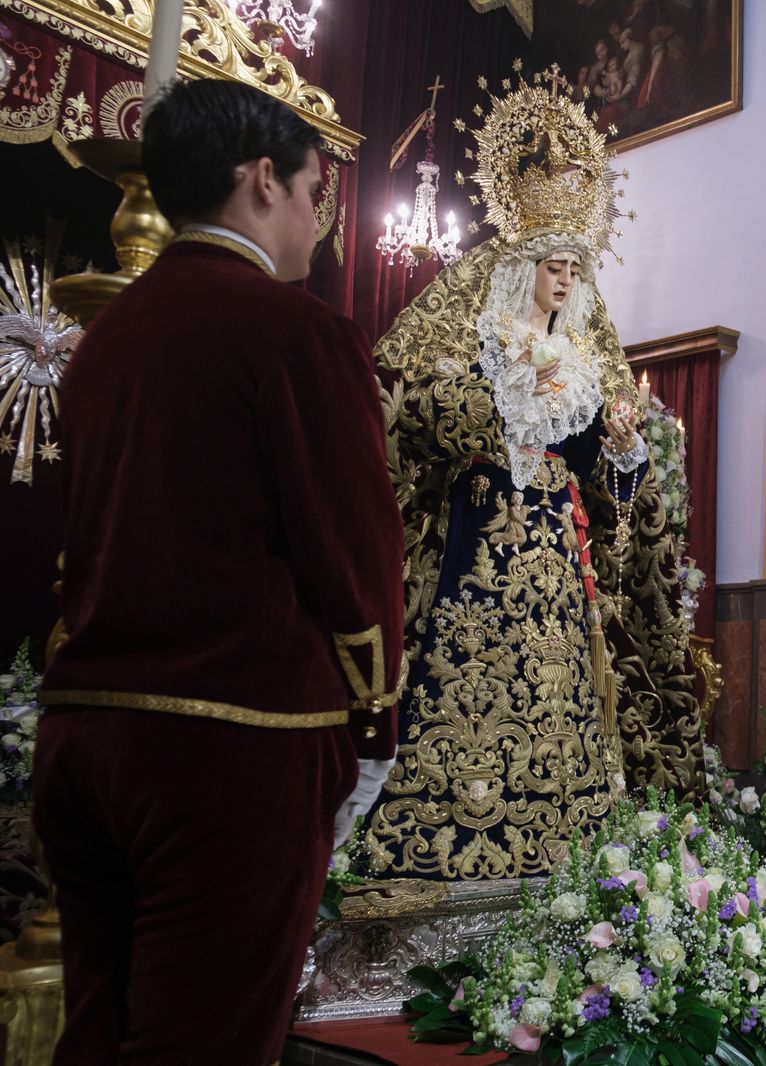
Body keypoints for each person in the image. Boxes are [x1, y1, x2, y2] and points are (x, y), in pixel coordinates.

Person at [32, 79, 404, 1064]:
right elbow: (356, 550)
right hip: (233, 745)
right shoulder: (299, 333)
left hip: (82, 737)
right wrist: (375, 722)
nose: (320, 227)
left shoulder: (100, 343)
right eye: (314, 194)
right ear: (259, 181)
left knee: (100, 1031)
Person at [364, 66, 701, 882]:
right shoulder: (477, 339)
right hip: (477, 537)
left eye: (576, 270)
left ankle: (563, 856)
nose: (566, 280)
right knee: (467, 681)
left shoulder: (587, 363)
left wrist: (621, 454)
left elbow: (613, 493)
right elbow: (403, 396)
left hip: (555, 554)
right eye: (554, 264)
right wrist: (498, 408)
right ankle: (435, 852)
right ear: (522, 265)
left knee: (561, 695)